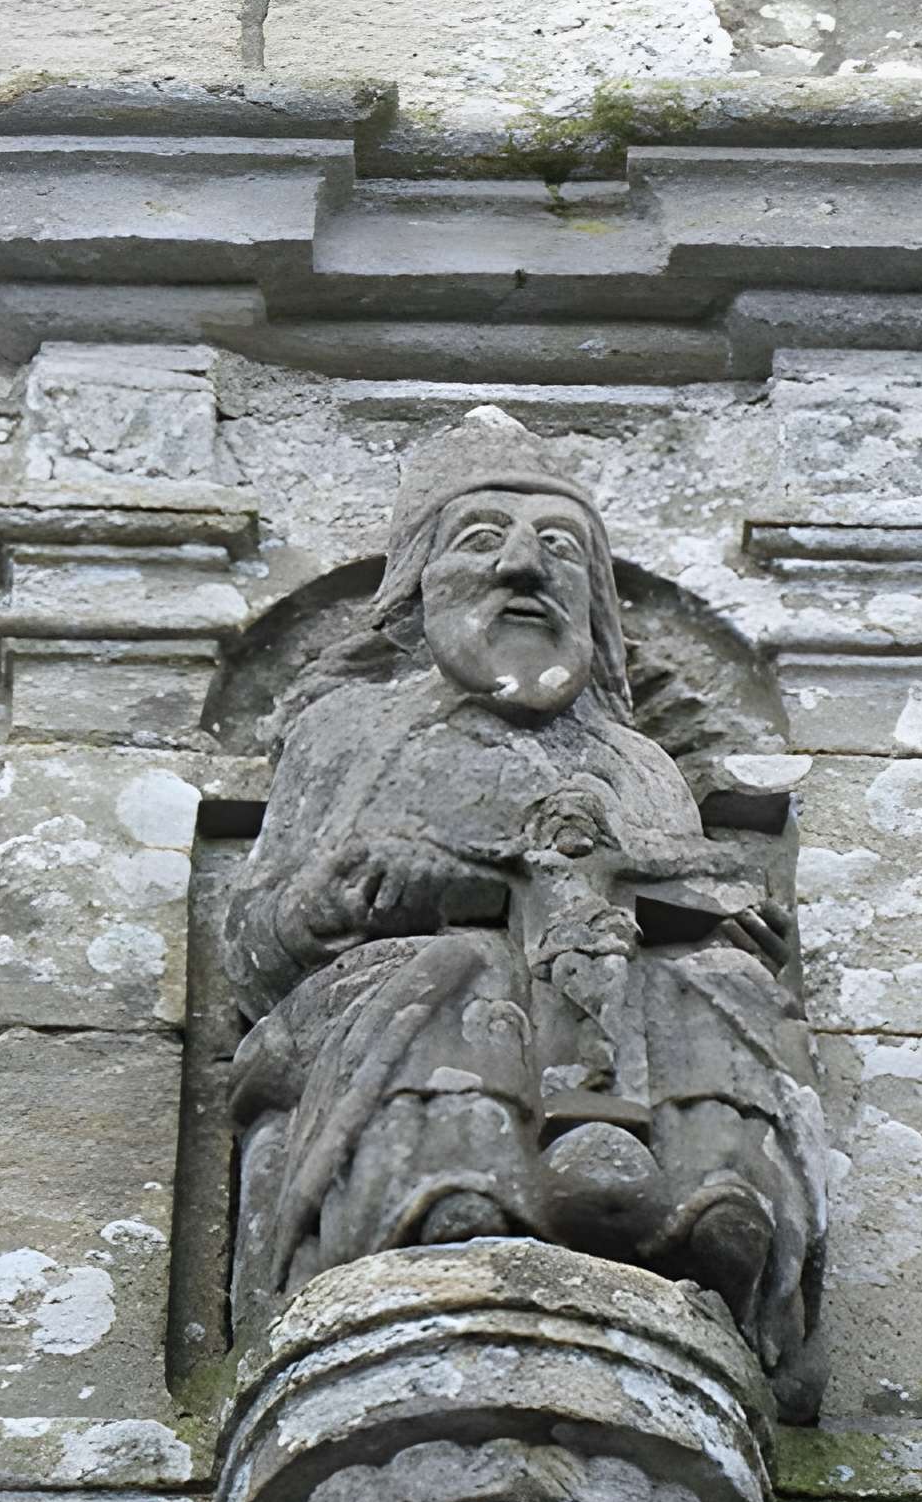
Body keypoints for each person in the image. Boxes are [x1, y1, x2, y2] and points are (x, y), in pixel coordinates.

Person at [222, 410, 826, 1414]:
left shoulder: (634, 761)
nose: (520, 567)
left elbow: (680, 881)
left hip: (609, 997)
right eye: (479, 541)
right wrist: (334, 899)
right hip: (416, 994)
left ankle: (715, 1211)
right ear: (419, 588)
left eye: (556, 547)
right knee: (454, 971)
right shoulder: (352, 733)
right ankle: (444, 1198)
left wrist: (722, 915)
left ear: (591, 598)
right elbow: (254, 945)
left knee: (721, 987)